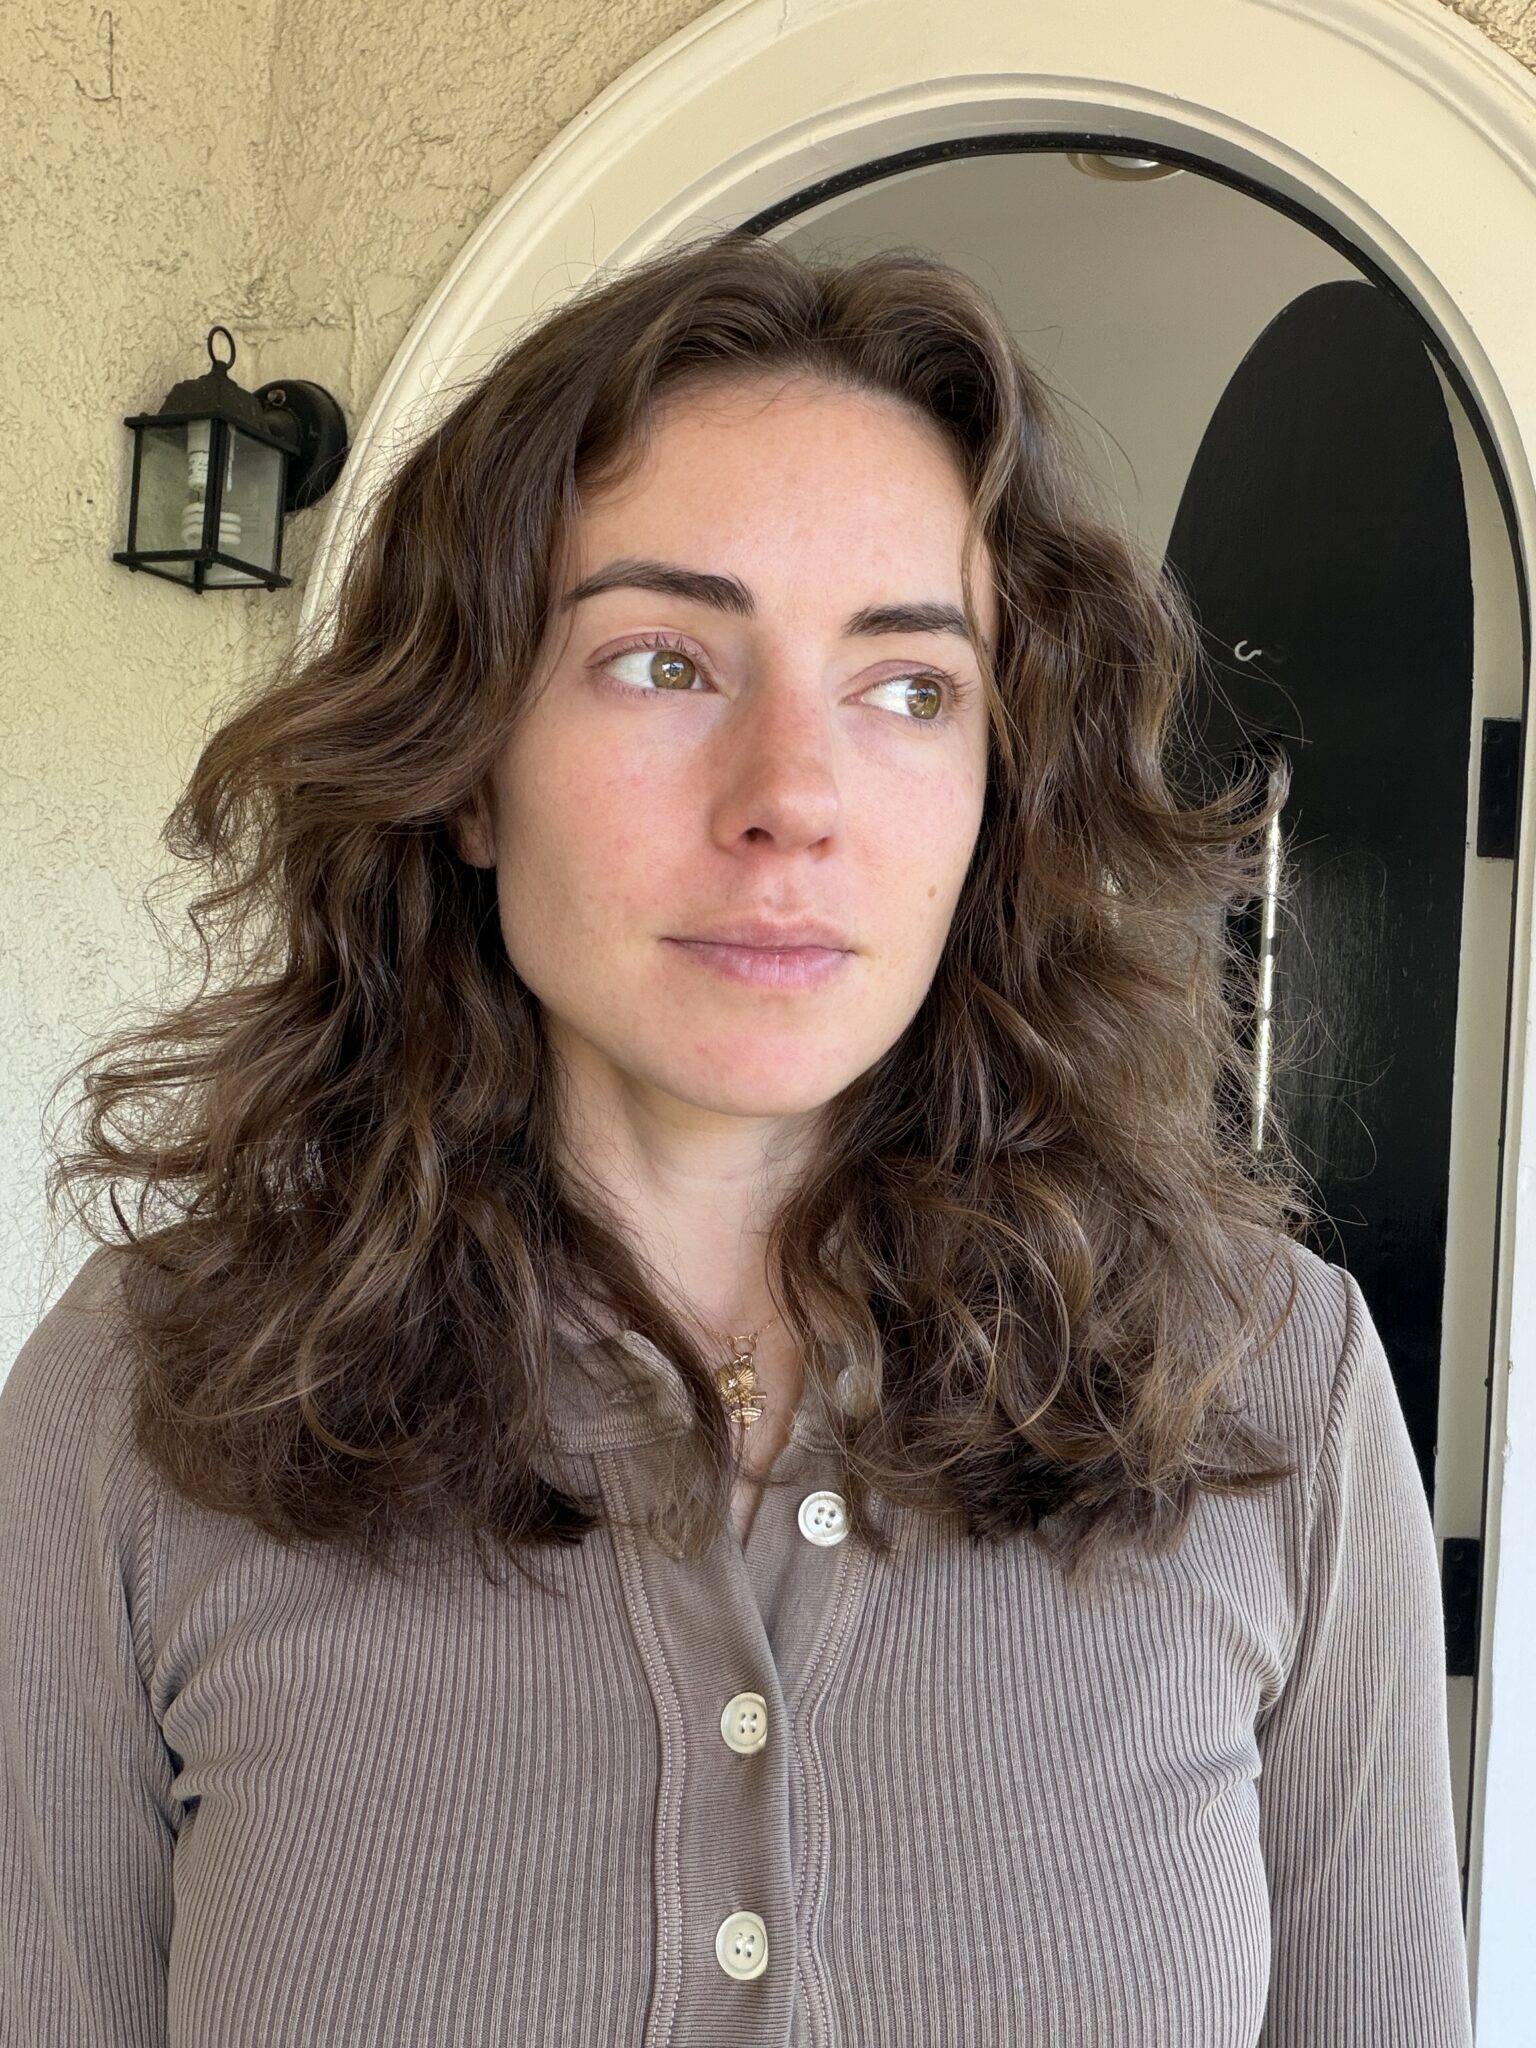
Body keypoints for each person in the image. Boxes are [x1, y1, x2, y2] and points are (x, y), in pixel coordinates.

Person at [0, 232, 1472, 2046]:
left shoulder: (1277, 1396)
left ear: (995, 784)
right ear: (465, 761)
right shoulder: (142, 1410)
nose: (792, 797)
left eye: (909, 686)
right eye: (661, 662)